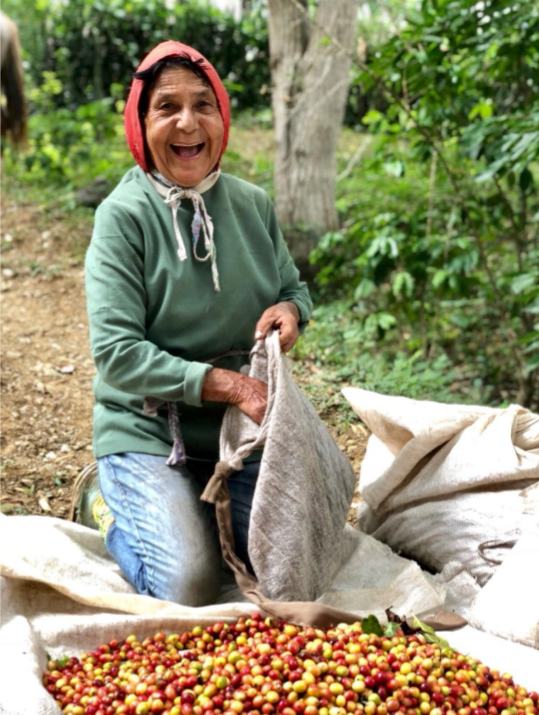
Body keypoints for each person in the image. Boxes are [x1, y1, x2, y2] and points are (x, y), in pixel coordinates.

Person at [82, 41, 312, 607]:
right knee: (187, 584)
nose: (188, 123)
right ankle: (102, 501)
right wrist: (230, 385)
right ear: (141, 123)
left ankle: (199, 508)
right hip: (149, 430)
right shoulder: (123, 217)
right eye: (167, 107)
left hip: (242, 433)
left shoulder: (251, 204)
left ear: (222, 116)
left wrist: (291, 313)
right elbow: (116, 353)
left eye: (203, 105)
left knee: (284, 569)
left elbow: (291, 289)